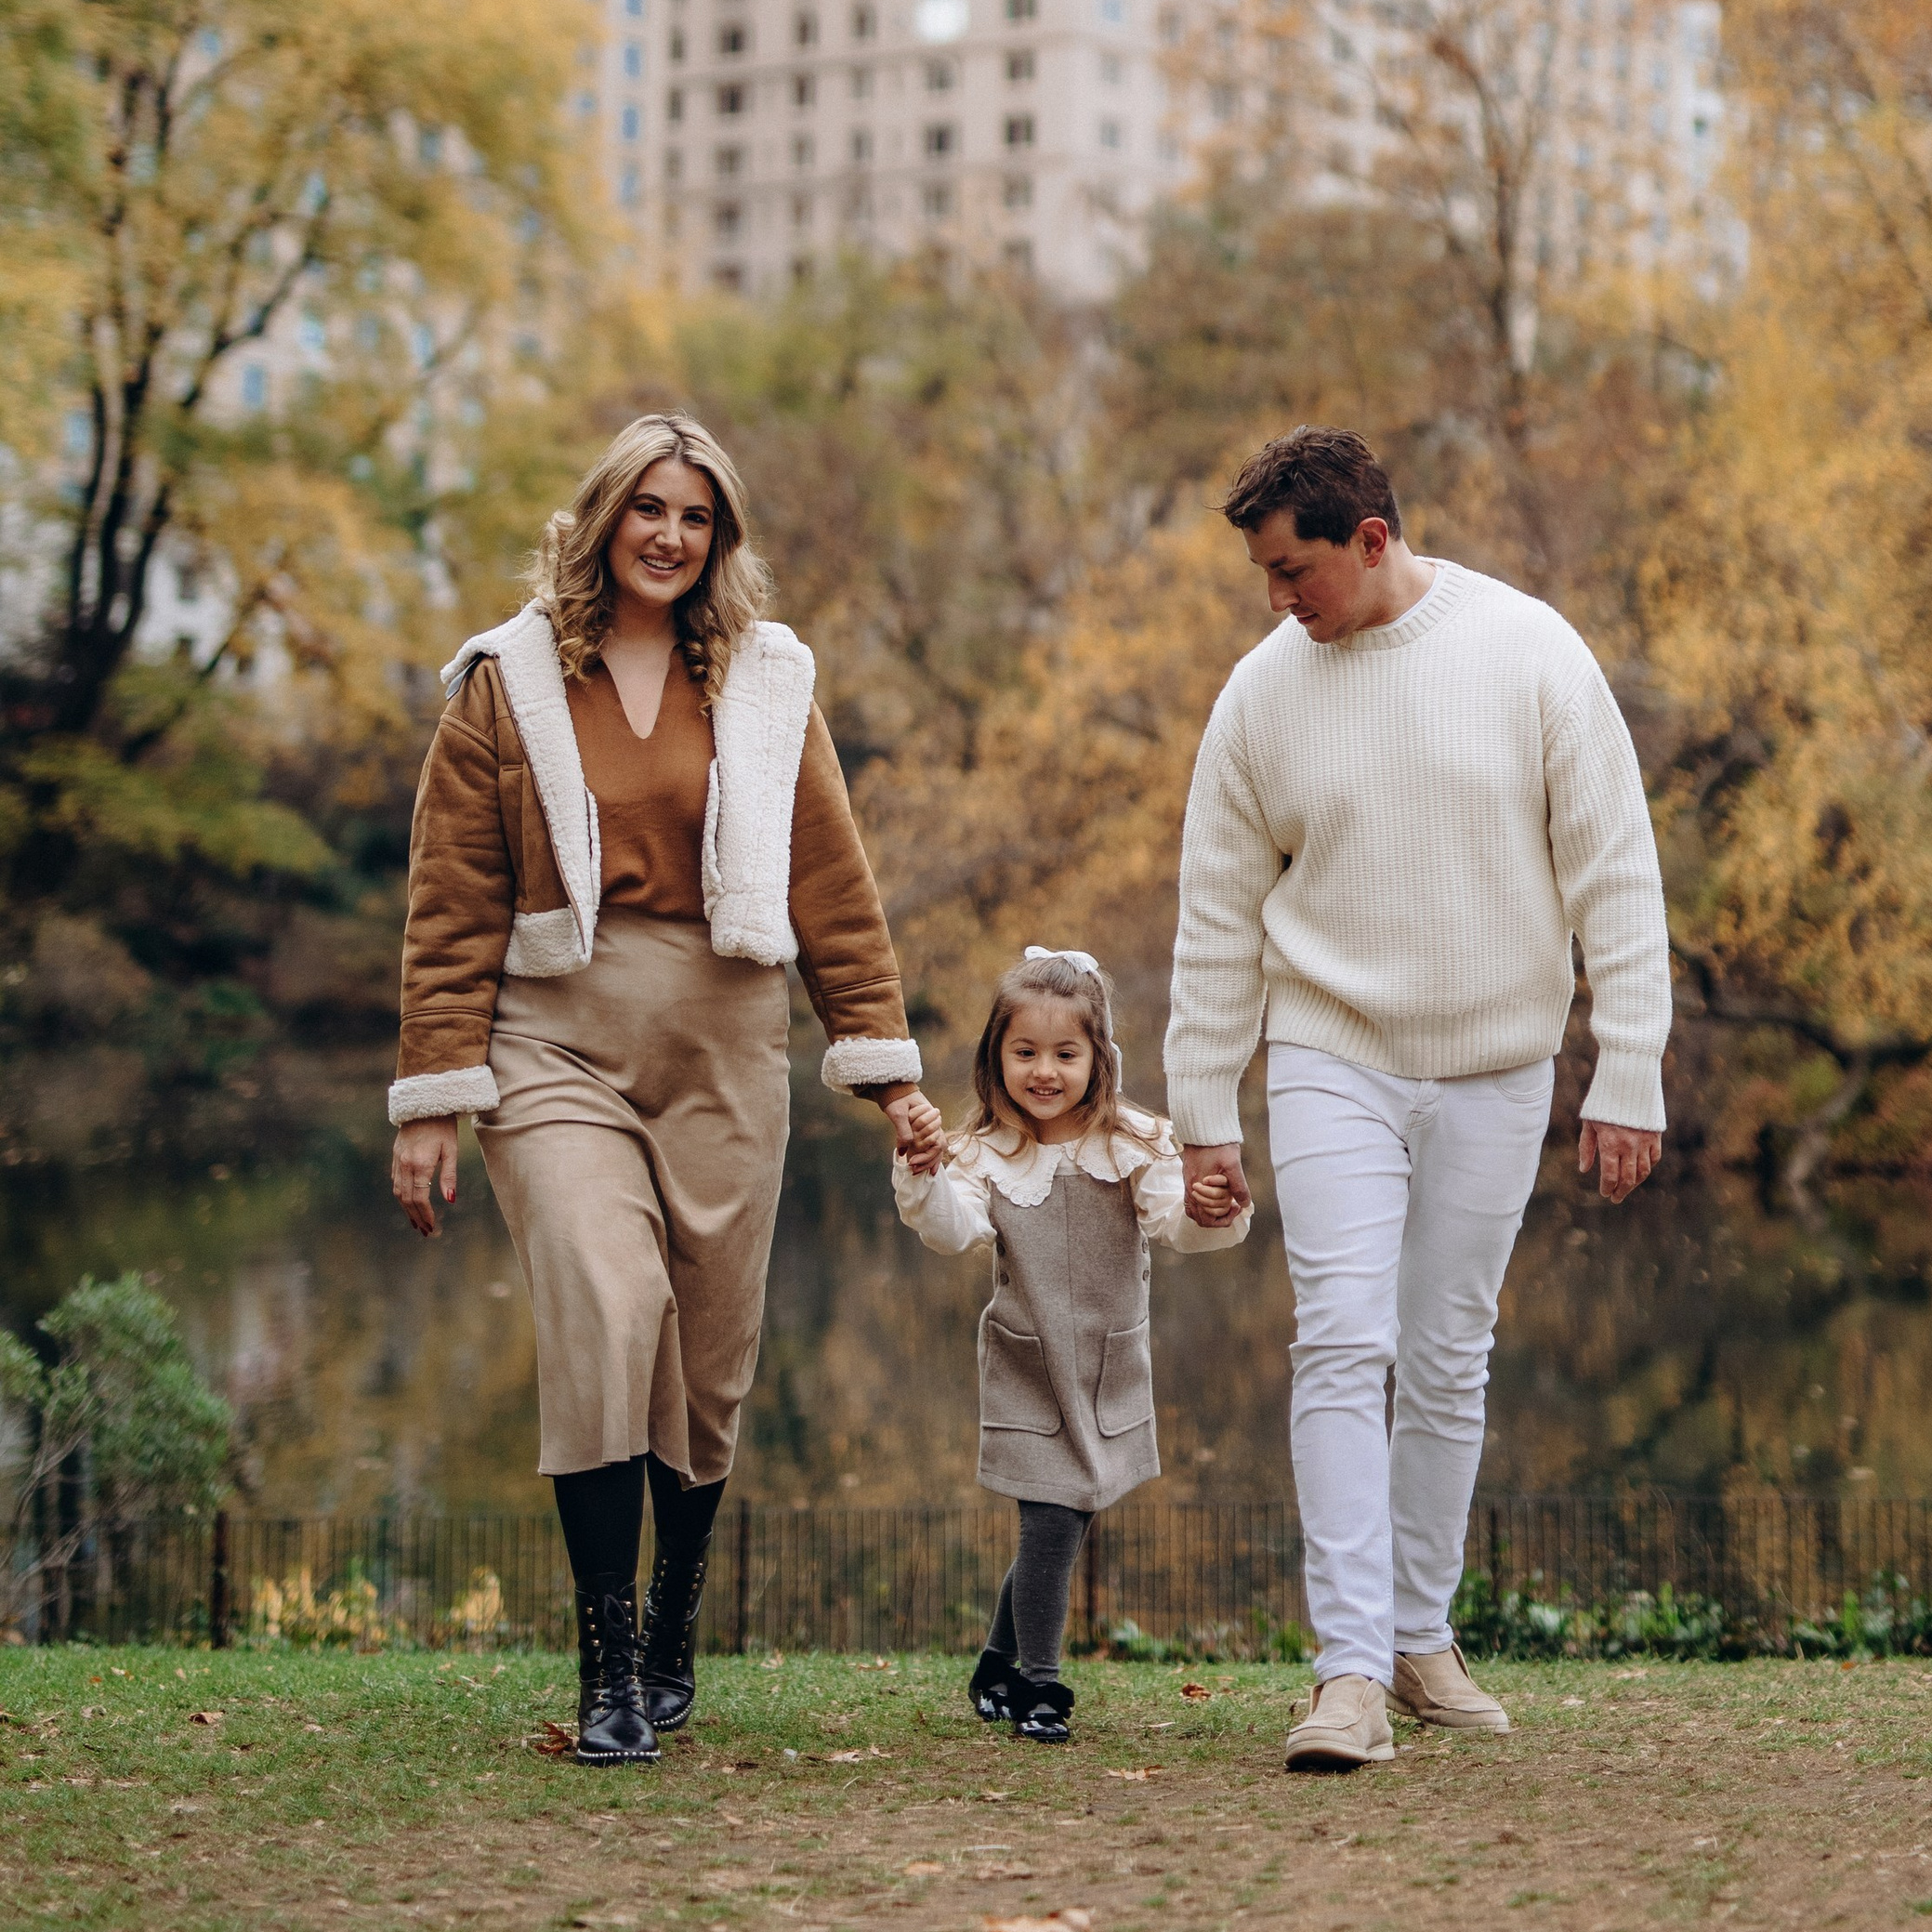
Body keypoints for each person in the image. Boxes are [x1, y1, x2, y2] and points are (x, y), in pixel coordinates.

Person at [388, 414, 932, 1767]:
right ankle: (607, 1664)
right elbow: (450, 900)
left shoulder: (765, 678)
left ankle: (676, 1612)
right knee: (607, 1304)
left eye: (695, 515)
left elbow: (831, 885)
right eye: (648, 507)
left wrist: (883, 1070)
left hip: (723, 1037)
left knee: (706, 1352)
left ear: (719, 536)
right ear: (599, 515)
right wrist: (428, 1097)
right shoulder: (501, 682)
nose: (669, 535)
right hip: (551, 1033)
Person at [1164, 427, 1672, 1770]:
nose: (1278, 598)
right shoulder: (1259, 698)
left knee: (1444, 1352)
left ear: (1370, 540)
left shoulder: (1526, 653)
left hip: (1498, 1059)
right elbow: (1214, 918)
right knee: (1339, 1333)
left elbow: (1610, 869)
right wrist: (1202, 1106)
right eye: (1265, 575)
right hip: (1330, 1045)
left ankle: (1415, 1635)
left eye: (1294, 570)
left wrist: (1625, 1067)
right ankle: (1342, 1674)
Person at [893, 947, 1251, 1743]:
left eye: (1064, 1053)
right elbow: (952, 1229)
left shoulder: (1134, 1141)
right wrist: (921, 1174)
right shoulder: (984, 1152)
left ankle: (995, 1659)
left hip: (1106, 1365)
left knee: (1071, 1514)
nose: (1044, 1070)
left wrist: (1208, 1204)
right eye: (1025, 1052)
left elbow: (1176, 1226)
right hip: (1028, 1364)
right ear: (997, 1057)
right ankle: (1039, 1684)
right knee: (1050, 1520)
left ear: (1100, 1058)